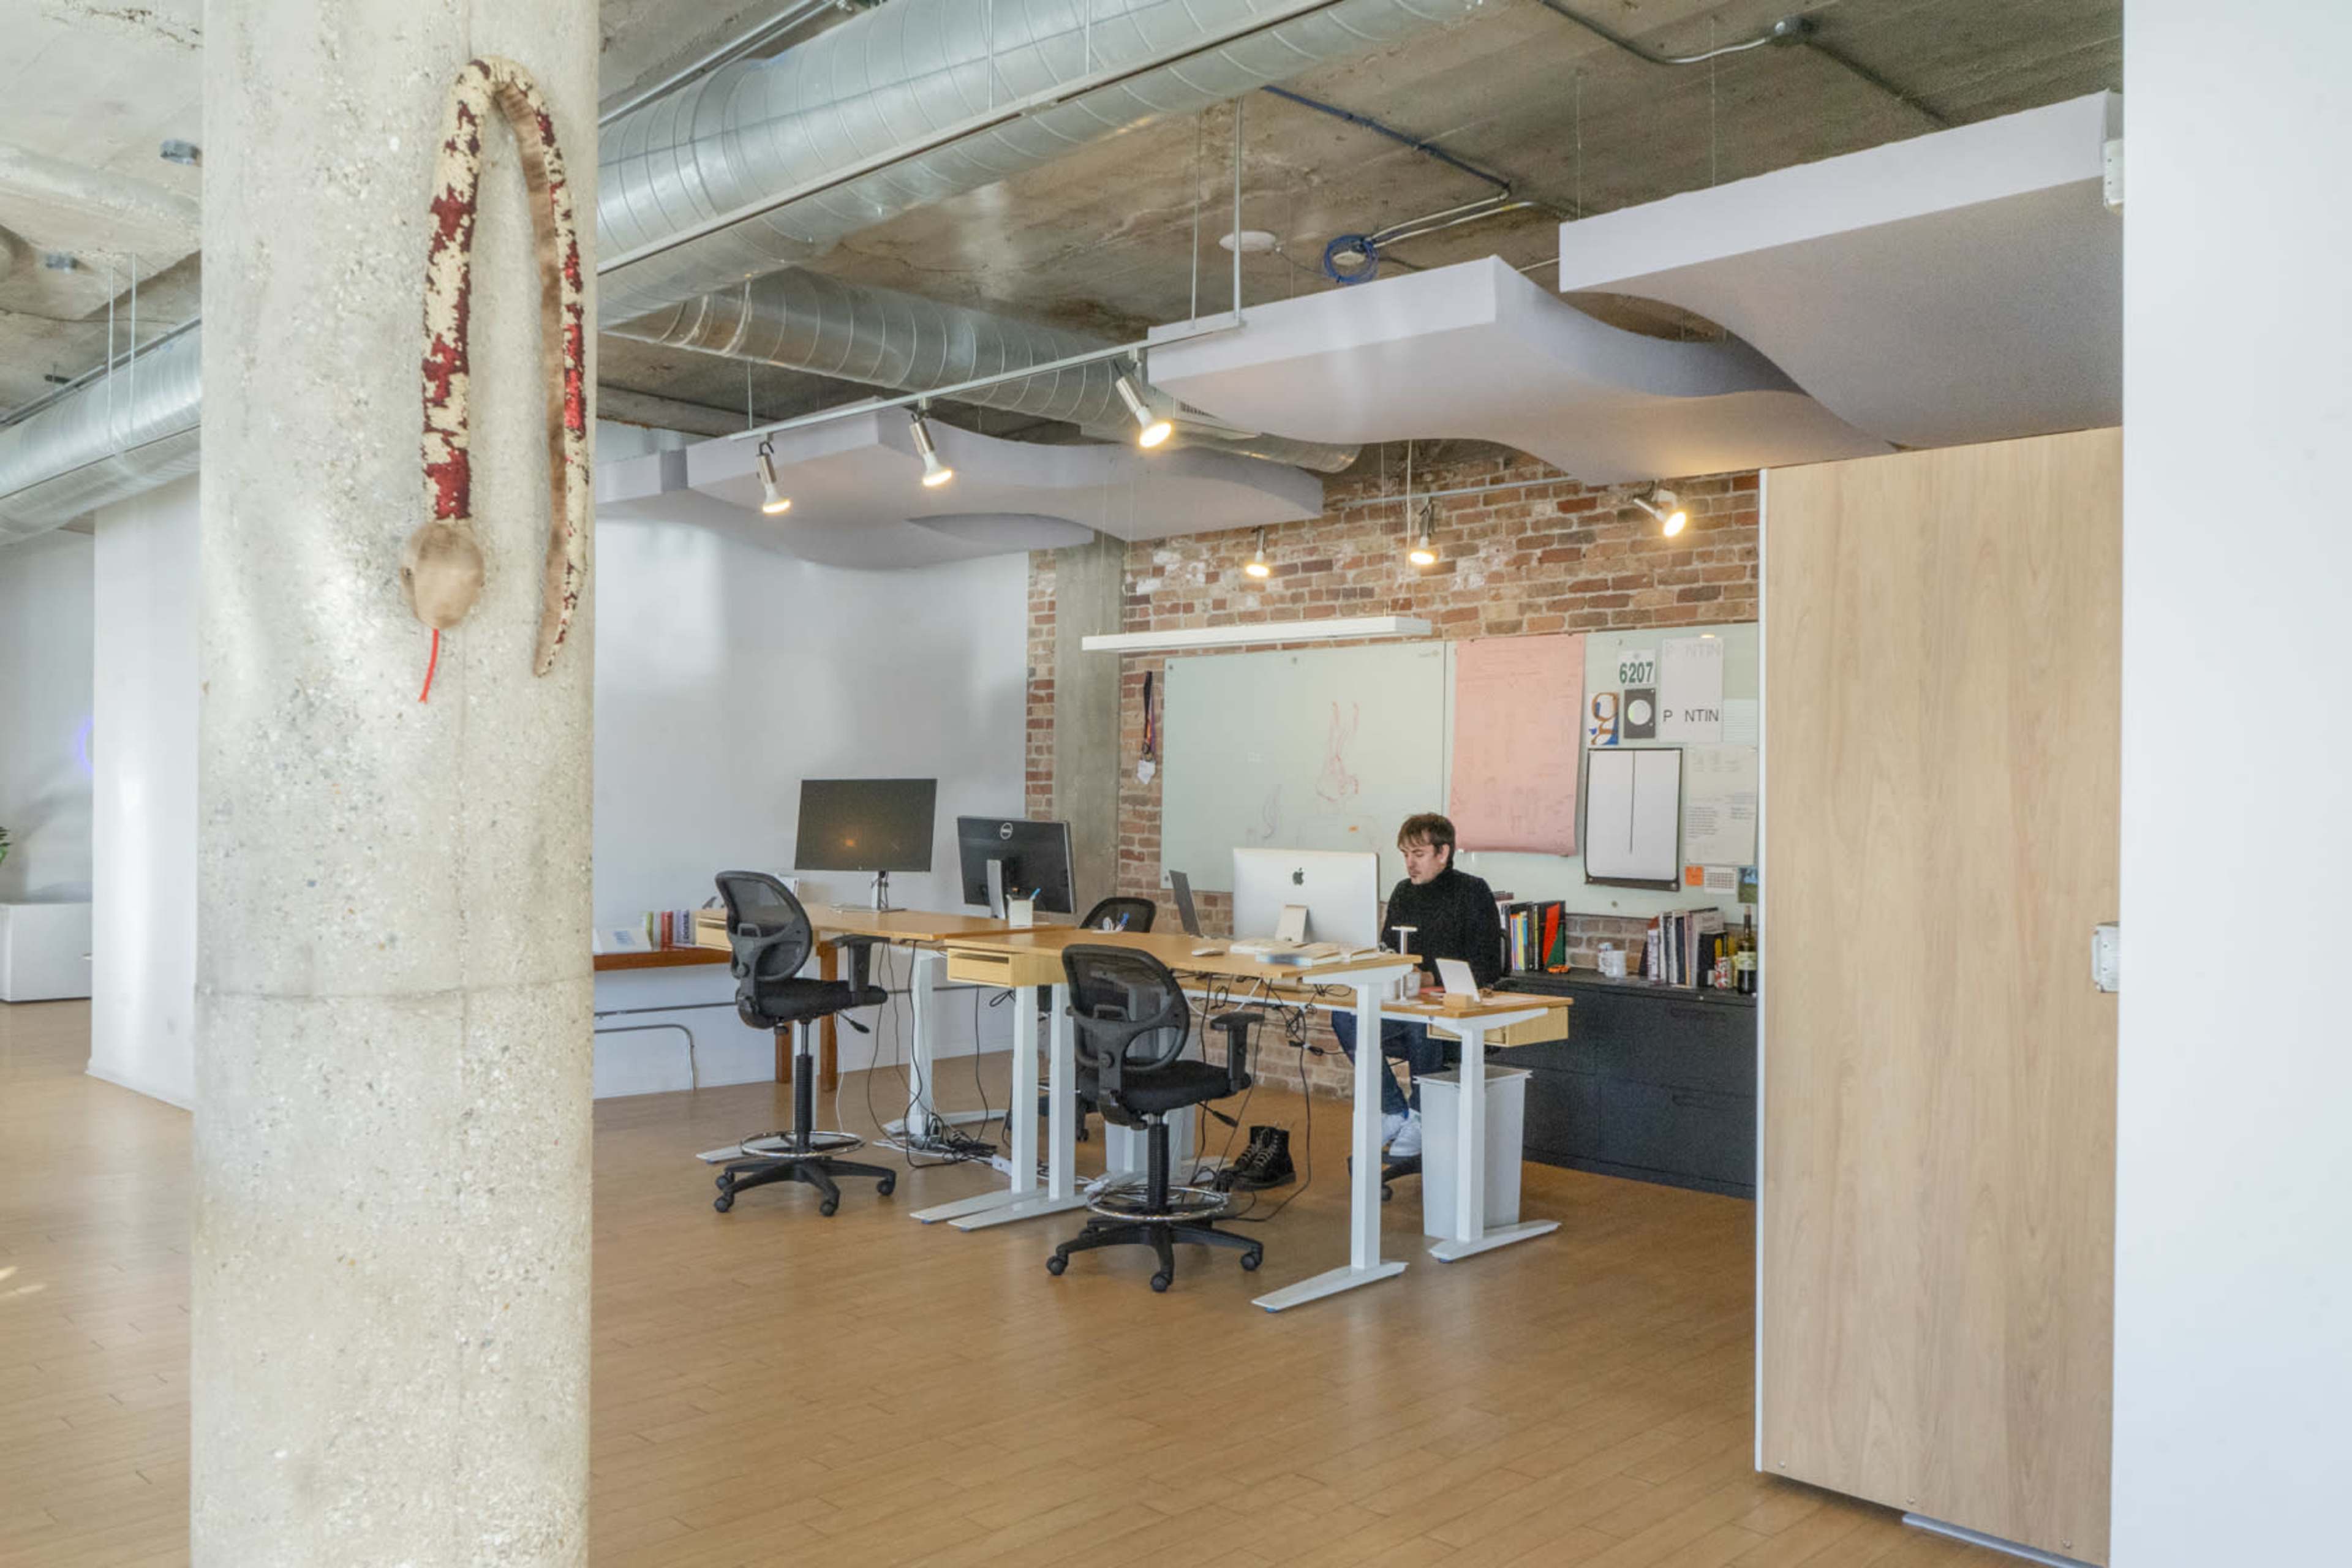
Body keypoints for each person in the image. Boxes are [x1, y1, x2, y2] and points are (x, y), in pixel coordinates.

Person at [1330, 812, 1502, 1160]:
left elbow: (1487, 967)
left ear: (1443, 853)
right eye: (1405, 855)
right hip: (1407, 1002)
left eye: (1419, 854)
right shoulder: (1403, 893)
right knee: (1345, 1017)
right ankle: (1394, 1111)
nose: (1410, 864)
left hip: (1450, 1011)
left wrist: (1428, 978)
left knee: (1420, 1021)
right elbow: (1388, 950)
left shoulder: (1473, 891)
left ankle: (1424, 1117)